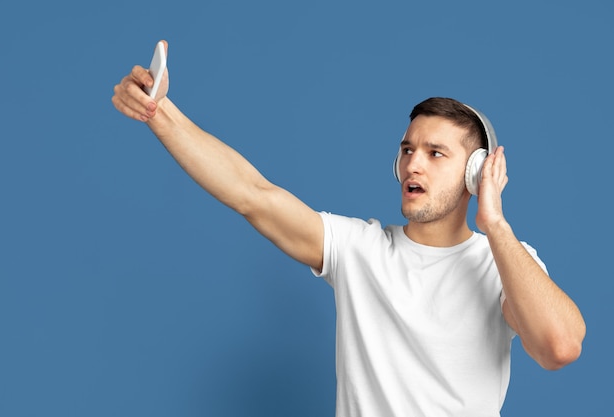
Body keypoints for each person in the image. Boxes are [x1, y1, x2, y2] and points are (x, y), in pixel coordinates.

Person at [112, 40, 585, 417]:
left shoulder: (502, 262)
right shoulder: (359, 249)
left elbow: (559, 347)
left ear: (476, 172)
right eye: (406, 149)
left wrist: (495, 223)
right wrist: (161, 115)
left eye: (435, 153)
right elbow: (252, 194)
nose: (412, 164)